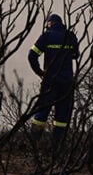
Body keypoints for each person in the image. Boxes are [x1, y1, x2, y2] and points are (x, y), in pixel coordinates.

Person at [28, 13, 79, 152]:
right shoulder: (70, 36)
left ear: (49, 24)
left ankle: (33, 143)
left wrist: (39, 71)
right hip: (67, 82)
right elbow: (76, 54)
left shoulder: (46, 36)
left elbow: (32, 55)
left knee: (41, 113)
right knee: (62, 117)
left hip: (50, 81)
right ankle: (58, 148)